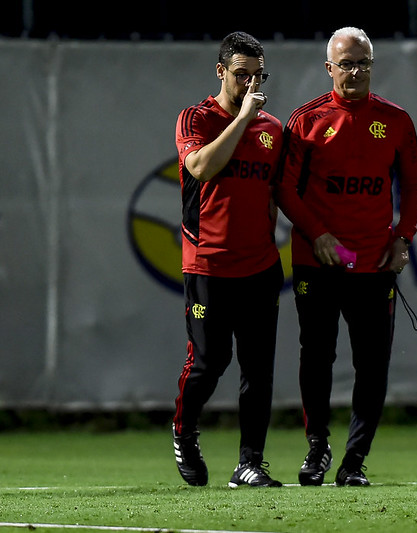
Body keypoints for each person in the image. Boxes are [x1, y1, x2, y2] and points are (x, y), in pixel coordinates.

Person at [275, 27, 417, 486]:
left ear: (372, 65)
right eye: (346, 63)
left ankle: (354, 461)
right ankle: (317, 448)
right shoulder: (306, 120)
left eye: (363, 62)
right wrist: (317, 233)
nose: (355, 71)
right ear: (329, 68)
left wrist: (403, 238)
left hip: (373, 261)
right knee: (317, 356)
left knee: (372, 362)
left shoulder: (394, 119)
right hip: (317, 259)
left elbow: (415, 183)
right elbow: (283, 187)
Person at [172, 31, 284, 488]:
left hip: (259, 266)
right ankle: (184, 429)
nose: (251, 83)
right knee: (208, 362)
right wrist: (241, 118)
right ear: (221, 71)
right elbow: (200, 167)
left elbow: (276, 195)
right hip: (208, 266)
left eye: (259, 75)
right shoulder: (196, 118)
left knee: (257, 369)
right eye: (242, 74)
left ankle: (250, 462)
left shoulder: (272, 129)